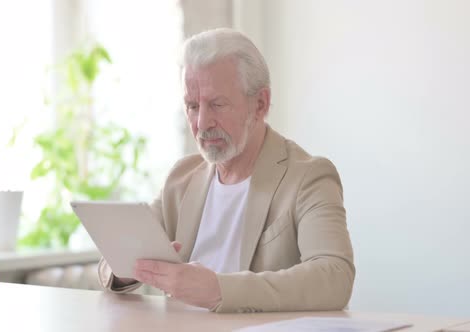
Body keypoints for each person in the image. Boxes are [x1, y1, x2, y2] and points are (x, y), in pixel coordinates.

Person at [97, 28, 355, 313]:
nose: (203, 123)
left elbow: (335, 277)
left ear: (260, 104)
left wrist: (219, 290)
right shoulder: (181, 178)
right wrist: (127, 269)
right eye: (192, 106)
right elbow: (112, 264)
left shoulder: (309, 177)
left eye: (217, 104)